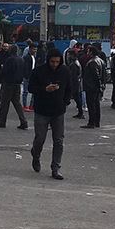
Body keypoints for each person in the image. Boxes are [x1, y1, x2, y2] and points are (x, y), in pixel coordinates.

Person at [28, 48, 72, 180]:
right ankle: (36, 155)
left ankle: (55, 168)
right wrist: (44, 89)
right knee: (40, 138)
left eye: (57, 62)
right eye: (52, 62)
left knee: (58, 140)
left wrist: (66, 102)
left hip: (58, 111)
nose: (54, 64)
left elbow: (70, 88)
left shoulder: (65, 71)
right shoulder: (39, 71)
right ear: (48, 60)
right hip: (42, 110)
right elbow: (30, 88)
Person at [0, 45, 28, 130]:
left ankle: (2, 121)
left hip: (8, 83)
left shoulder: (9, 60)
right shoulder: (21, 59)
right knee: (17, 103)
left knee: (4, 104)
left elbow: (4, 72)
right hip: (17, 83)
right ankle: (23, 121)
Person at [81, 45, 106, 129]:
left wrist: (99, 86)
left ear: (91, 52)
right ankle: (96, 122)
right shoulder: (100, 61)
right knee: (96, 105)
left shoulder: (92, 62)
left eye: (88, 51)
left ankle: (91, 122)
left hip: (91, 87)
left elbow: (96, 76)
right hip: (96, 87)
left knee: (91, 105)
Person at [67, 49, 85, 119]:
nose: (68, 56)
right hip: (77, 82)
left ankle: (81, 113)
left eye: (69, 55)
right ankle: (80, 112)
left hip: (75, 83)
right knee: (77, 98)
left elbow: (73, 76)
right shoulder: (76, 62)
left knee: (77, 98)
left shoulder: (74, 64)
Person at [22, 43, 38, 111]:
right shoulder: (26, 57)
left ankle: (31, 106)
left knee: (34, 91)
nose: (35, 51)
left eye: (36, 49)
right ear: (30, 49)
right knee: (25, 91)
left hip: (33, 76)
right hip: (28, 76)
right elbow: (26, 68)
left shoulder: (33, 57)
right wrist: (26, 76)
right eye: (34, 49)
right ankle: (25, 106)